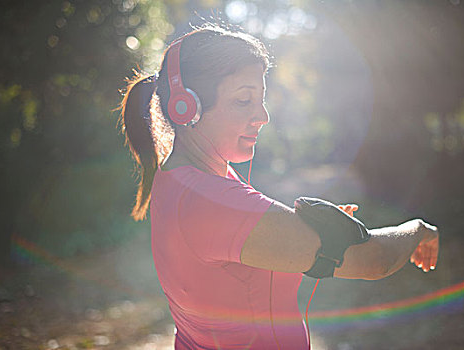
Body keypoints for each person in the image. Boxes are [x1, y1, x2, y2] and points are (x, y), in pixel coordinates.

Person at [119, 23, 439, 350]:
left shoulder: (179, 177)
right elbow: (373, 260)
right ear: (186, 108)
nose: (263, 116)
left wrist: (308, 233)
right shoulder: (211, 201)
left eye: (261, 99)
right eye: (244, 100)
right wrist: (418, 229)